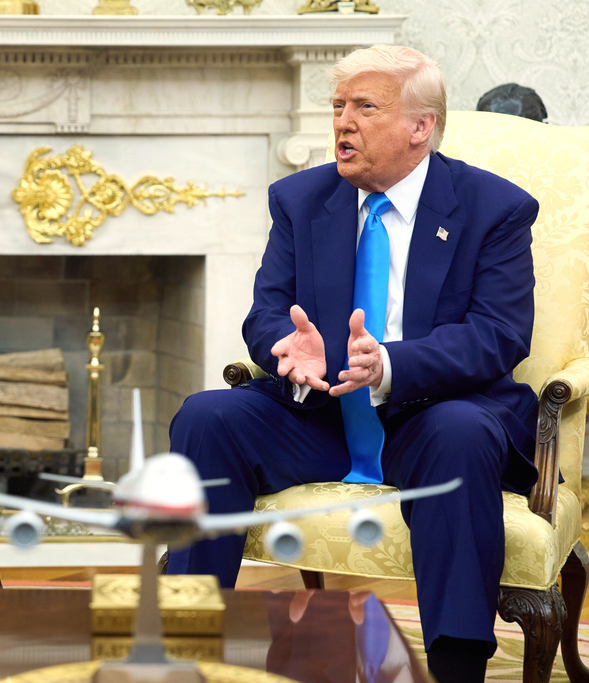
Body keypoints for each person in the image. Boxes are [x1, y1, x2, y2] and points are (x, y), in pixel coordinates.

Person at [166, 44, 539, 683]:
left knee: (460, 434)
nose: (343, 122)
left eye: (365, 107)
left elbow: (499, 335)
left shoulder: (493, 209)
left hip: (432, 415)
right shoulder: (301, 200)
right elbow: (266, 313)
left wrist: (391, 364)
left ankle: (455, 668)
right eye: (338, 106)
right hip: (319, 414)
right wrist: (286, 346)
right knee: (206, 416)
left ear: (420, 127)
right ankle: (183, 645)